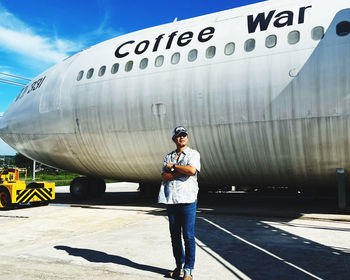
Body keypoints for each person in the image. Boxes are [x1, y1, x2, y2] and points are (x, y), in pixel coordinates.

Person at [158, 126, 200, 280]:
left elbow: (191, 170)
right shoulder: (168, 156)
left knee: (188, 235)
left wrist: (174, 168)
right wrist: (179, 171)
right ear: (174, 139)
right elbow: (164, 175)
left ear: (187, 138)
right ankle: (179, 266)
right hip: (172, 200)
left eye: (184, 135)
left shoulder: (193, 154)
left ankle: (189, 270)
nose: (181, 138)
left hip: (188, 200)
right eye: (178, 136)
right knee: (175, 235)